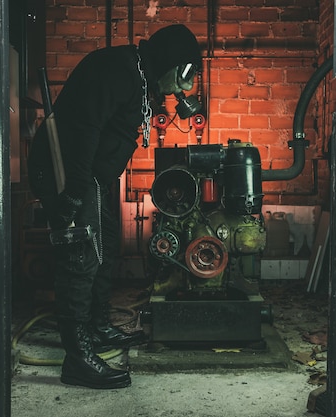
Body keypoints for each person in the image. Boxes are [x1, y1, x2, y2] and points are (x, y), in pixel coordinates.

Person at [27, 24, 202, 389]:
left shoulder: (142, 79)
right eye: (186, 74)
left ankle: (100, 328)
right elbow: (85, 129)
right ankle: (78, 360)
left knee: (106, 246)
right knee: (81, 260)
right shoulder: (118, 69)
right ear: (171, 61)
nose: (186, 87)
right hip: (66, 170)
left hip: (90, 176)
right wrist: (73, 192)